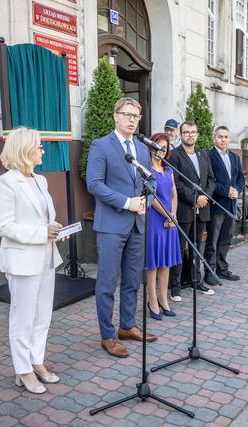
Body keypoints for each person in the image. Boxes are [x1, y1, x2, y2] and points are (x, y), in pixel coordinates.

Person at [0, 128, 66, 394]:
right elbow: (4, 226)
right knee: (22, 317)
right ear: (24, 150)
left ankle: (37, 361)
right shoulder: (5, 183)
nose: (42, 150)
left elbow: (43, 218)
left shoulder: (40, 180)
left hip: (46, 257)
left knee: (43, 315)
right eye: (39, 147)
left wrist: (54, 228)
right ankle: (22, 370)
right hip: (22, 261)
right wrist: (41, 232)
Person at [86, 97, 156, 358]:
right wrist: (128, 203)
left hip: (137, 224)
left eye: (135, 116)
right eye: (126, 114)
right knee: (107, 283)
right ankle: (108, 335)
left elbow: (152, 183)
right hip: (112, 225)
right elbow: (94, 184)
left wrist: (146, 202)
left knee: (131, 281)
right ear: (115, 116)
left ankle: (128, 326)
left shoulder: (141, 148)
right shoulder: (101, 146)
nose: (131, 120)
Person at [168, 121, 216, 302]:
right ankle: (176, 287)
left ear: (197, 134)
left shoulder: (203, 154)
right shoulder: (174, 155)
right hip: (184, 209)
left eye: (193, 132)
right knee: (179, 249)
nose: (190, 135)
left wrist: (204, 198)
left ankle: (197, 280)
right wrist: (194, 198)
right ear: (180, 135)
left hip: (202, 209)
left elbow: (212, 179)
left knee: (197, 248)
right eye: (186, 132)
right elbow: (176, 183)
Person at [144, 133, 181, 319]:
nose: (161, 151)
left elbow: (174, 193)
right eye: (158, 147)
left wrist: (173, 215)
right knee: (153, 264)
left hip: (170, 220)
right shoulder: (146, 168)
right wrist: (167, 215)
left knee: (165, 263)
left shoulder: (169, 168)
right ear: (151, 147)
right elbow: (151, 197)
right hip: (155, 219)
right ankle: (152, 301)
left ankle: (163, 299)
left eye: (165, 148)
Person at [204, 126, 246, 285]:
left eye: (226, 137)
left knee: (226, 239)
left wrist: (237, 190)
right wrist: (226, 191)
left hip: (231, 205)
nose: (223, 140)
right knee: (212, 241)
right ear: (215, 138)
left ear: (229, 139)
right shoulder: (208, 156)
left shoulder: (235, 158)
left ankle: (222, 270)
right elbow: (209, 181)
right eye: (220, 136)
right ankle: (209, 272)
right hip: (216, 205)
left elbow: (241, 178)